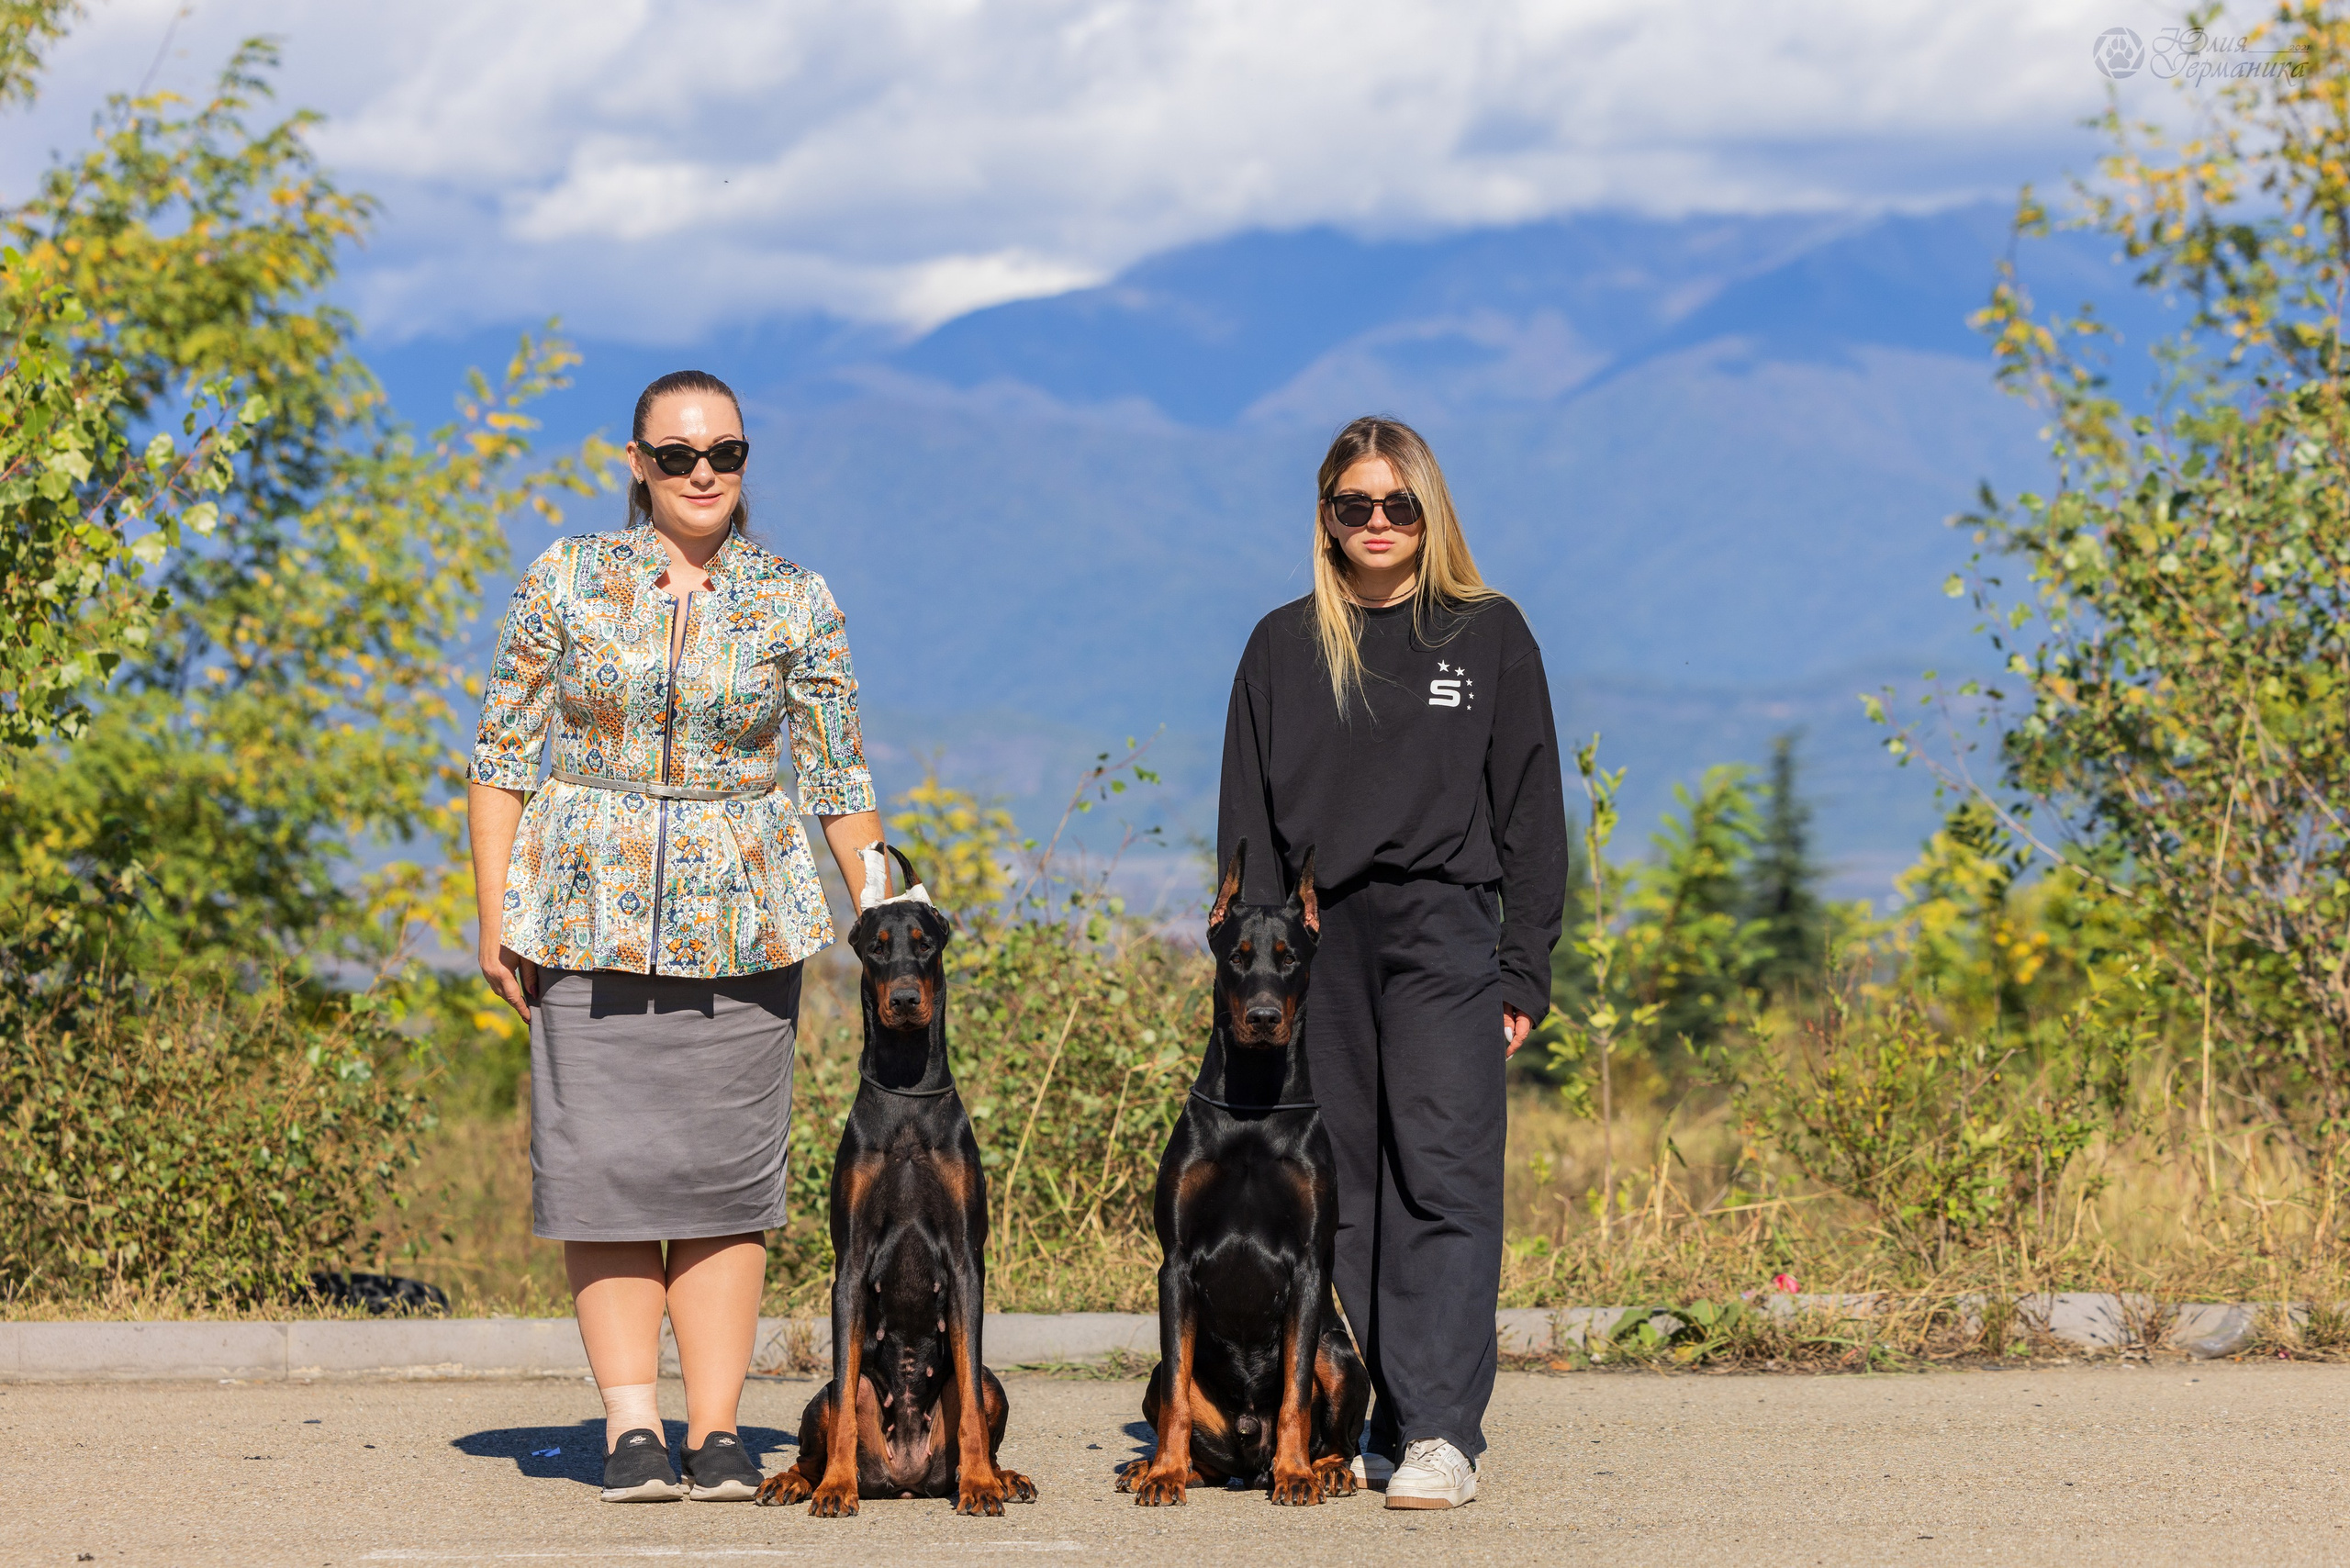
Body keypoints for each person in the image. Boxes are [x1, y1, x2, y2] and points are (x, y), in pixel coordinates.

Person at [466, 370, 887, 1504]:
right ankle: (631, 1427)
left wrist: (883, 907)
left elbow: (839, 777)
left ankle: (716, 1430)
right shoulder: (564, 577)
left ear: (747, 463)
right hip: (581, 909)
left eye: (727, 453)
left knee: (720, 1183)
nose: (704, 474)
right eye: (679, 453)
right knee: (602, 1175)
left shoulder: (798, 598)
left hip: (748, 920)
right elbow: (502, 754)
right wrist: (495, 912)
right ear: (635, 463)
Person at [1216, 415, 1567, 1511]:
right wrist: (1252, 979)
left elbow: (1532, 817)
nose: (1376, 523)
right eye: (1353, 505)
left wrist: (1523, 969)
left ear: (1429, 513)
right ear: (1323, 517)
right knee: (1347, 1191)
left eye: (1397, 505)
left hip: (1444, 934)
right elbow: (1247, 831)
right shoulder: (1281, 645)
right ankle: (1388, 1399)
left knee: (1445, 1178)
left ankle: (1441, 1433)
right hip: (1317, 950)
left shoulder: (1486, 633)